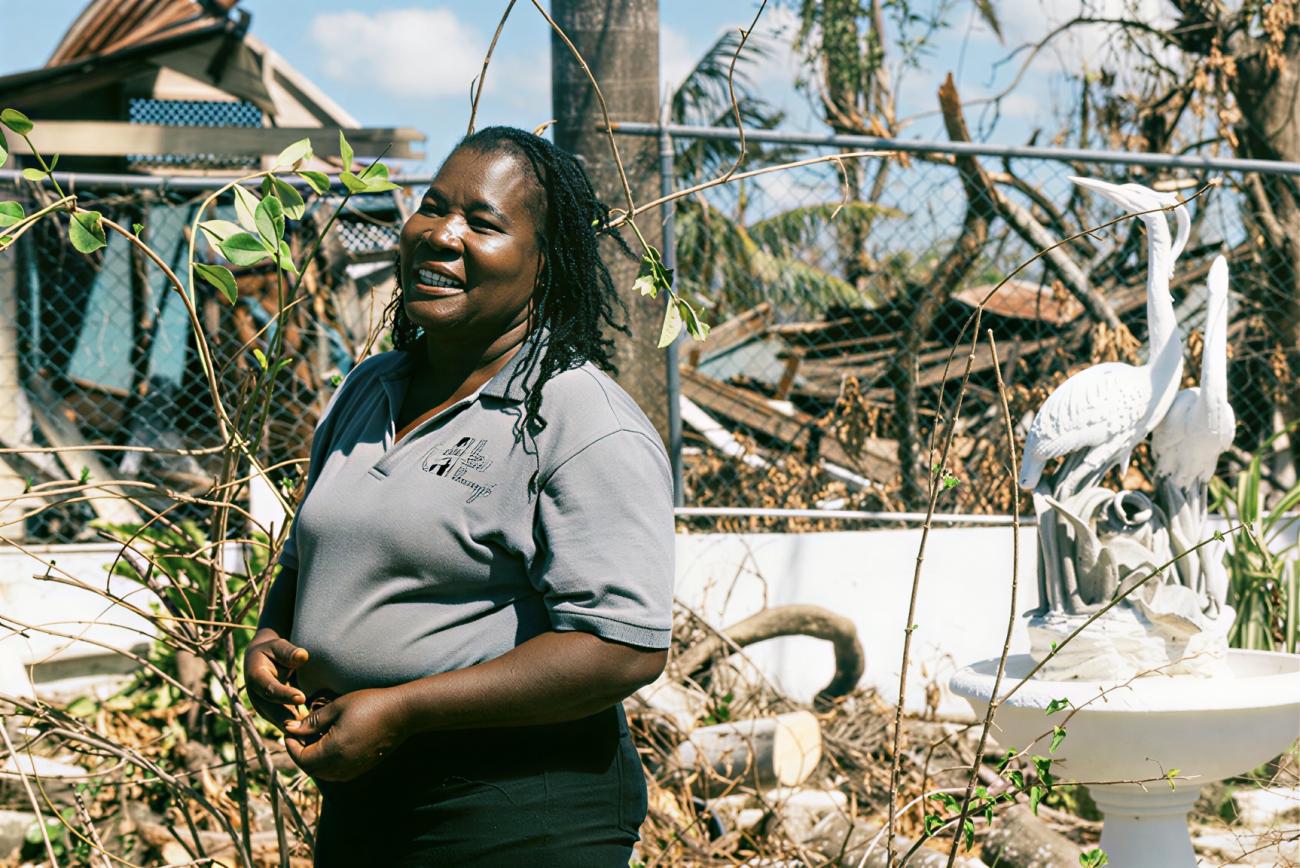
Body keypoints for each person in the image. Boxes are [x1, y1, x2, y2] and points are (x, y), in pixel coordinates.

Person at [243, 126, 675, 867]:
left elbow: (624, 647)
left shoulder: (578, 421)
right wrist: (268, 641)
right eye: (432, 207)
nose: (442, 235)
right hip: (369, 798)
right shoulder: (369, 388)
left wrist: (406, 709)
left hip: (519, 811)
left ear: (544, 264)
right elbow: (309, 557)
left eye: (482, 222)